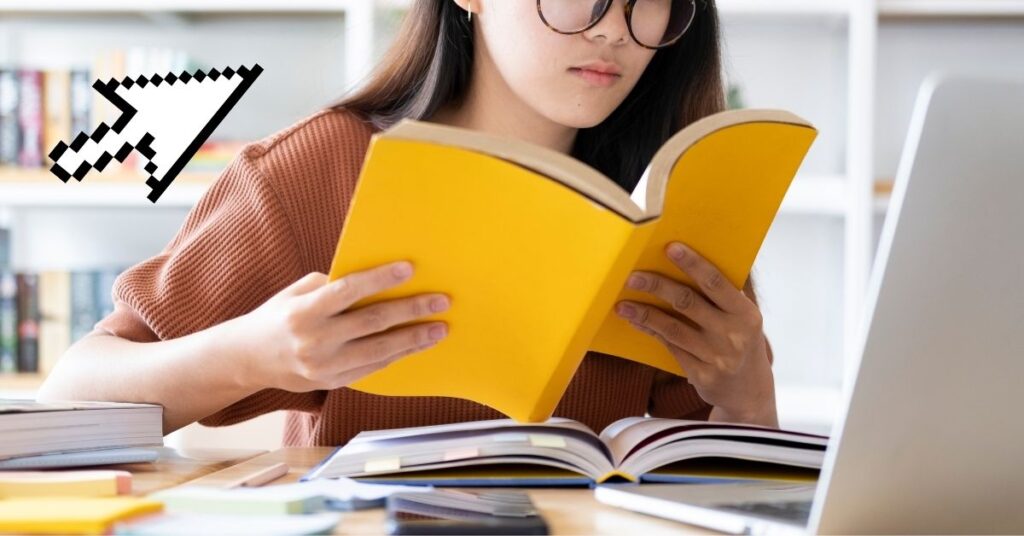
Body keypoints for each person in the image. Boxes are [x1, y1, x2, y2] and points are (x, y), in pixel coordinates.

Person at [38, 0, 778, 445]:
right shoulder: (321, 169)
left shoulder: (668, 203)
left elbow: (719, 485)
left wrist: (750, 397)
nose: (615, 29)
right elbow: (70, 398)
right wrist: (257, 354)